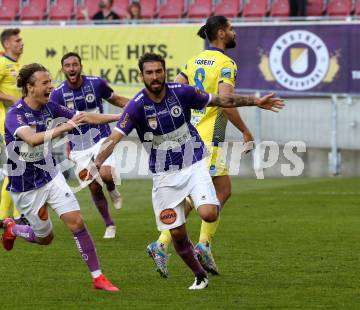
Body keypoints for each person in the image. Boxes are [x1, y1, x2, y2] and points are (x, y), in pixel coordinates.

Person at [87, 53, 283, 289]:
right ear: (142, 76)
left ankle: (193, 243)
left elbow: (221, 100)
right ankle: (200, 275)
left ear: (165, 72)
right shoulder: (136, 106)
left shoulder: (182, 92)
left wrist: (256, 101)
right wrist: (97, 161)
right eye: (149, 72)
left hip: (194, 163)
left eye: (158, 71)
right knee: (177, 233)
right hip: (164, 176)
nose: (154, 76)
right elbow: (114, 138)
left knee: (209, 213)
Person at [147, 15, 253, 277]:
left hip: (192, 134)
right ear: (220, 34)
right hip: (207, 138)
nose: (234, 32)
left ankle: (202, 245)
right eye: (230, 29)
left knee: (223, 190)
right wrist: (245, 130)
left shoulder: (193, 61)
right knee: (201, 196)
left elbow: (175, 91)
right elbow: (226, 101)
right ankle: (162, 243)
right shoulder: (226, 63)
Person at [2, 63, 120, 292]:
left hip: (51, 175)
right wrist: (64, 128)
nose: (51, 86)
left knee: (77, 222)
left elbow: (84, 117)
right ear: (30, 87)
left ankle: (98, 277)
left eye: (50, 82)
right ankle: (13, 229)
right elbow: (32, 139)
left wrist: (123, 117)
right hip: (25, 186)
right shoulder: (15, 114)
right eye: (45, 82)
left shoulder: (50, 107)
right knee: (45, 238)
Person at [50, 52, 129, 239]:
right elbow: (55, 120)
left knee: (106, 174)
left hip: (102, 138)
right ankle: (109, 224)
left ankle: (111, 188)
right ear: (63, 69)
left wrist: (137, 106)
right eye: (67, 65)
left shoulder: (96, 83)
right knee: (93, 186)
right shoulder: (58, 93)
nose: (71, 68)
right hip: (78, 146)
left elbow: (116, 99)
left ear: (81, 66)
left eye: (75, 64)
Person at [0, 28, 26, 228]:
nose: (21, 43)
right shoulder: (1, 64)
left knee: (15, 168)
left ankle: (3, 217)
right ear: (7, 44)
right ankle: (17, 216)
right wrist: (10, 98)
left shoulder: (17, 65)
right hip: (9, 122)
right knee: (18, 167)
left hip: (20, 121)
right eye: (17, 40)